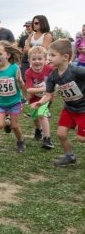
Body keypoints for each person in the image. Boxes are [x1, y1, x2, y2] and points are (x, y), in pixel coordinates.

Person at [30, 39, 85, 167]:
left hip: (83, 110)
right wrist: (39, 103)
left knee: (81, 139)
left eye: (52, 55)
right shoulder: (53, 76)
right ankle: (69, 156)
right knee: (61, 134)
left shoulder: (76, 71)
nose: (48, 58)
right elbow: (48, 94)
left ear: (65, 57)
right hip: (69, 109)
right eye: (48, 55)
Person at [0, 41, 27, 153]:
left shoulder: (14, 68)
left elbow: (22, 83)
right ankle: (6, 122)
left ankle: (20, 141)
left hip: (14, 102)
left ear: (8, 55)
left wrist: (25, 95)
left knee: (15, 126)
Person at [25, 46, 54, 149]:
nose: (37, 61)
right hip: (33, 99)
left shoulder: (50, 69)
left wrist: (51, 90)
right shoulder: (28, 72)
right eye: (34, 59)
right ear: (29, 60)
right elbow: (29, 90)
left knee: (42, 114)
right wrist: (45, 88)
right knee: (35, 117)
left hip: (47, 98)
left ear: (45, 59)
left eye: (40, 58)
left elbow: (58, 79)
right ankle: (38, 129)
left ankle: (47, 139)